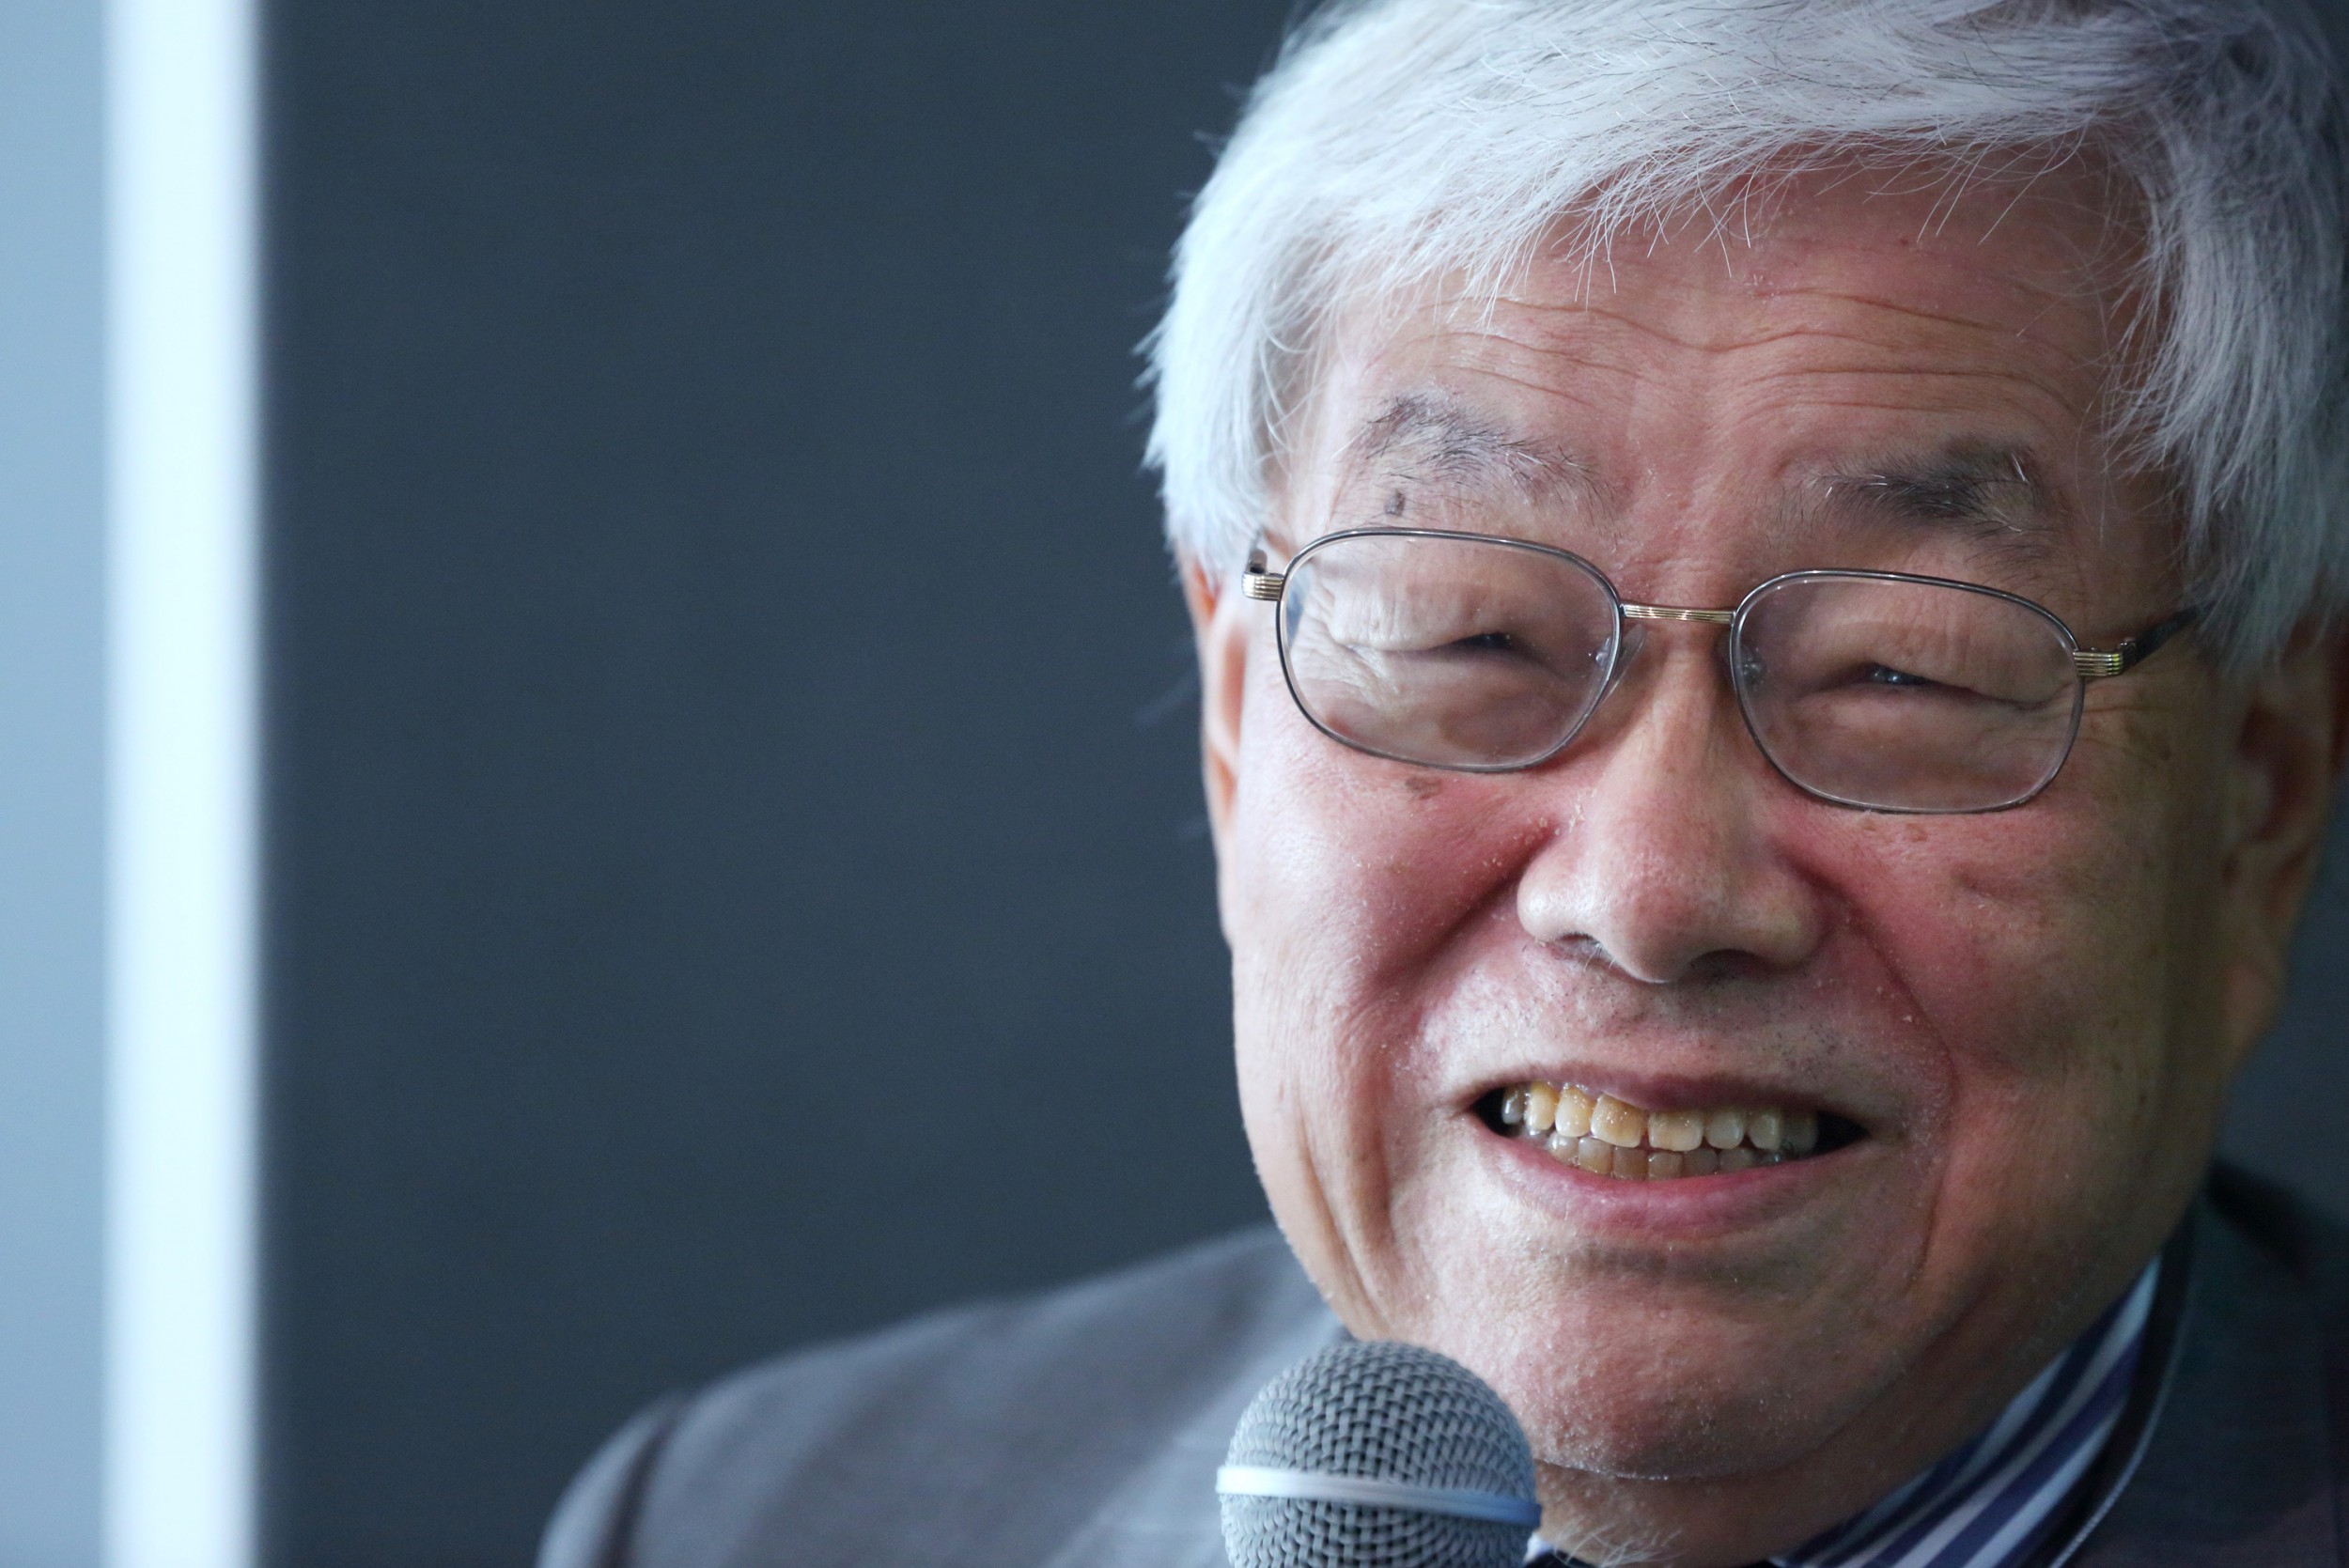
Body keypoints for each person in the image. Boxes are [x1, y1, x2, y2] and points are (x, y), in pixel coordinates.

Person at [538, 2, 2349, 1564]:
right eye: (1471, 639)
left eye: (1903, 668)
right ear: (1238, 722)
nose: (1647, 892)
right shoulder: (752, 1520)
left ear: (2255, 801)